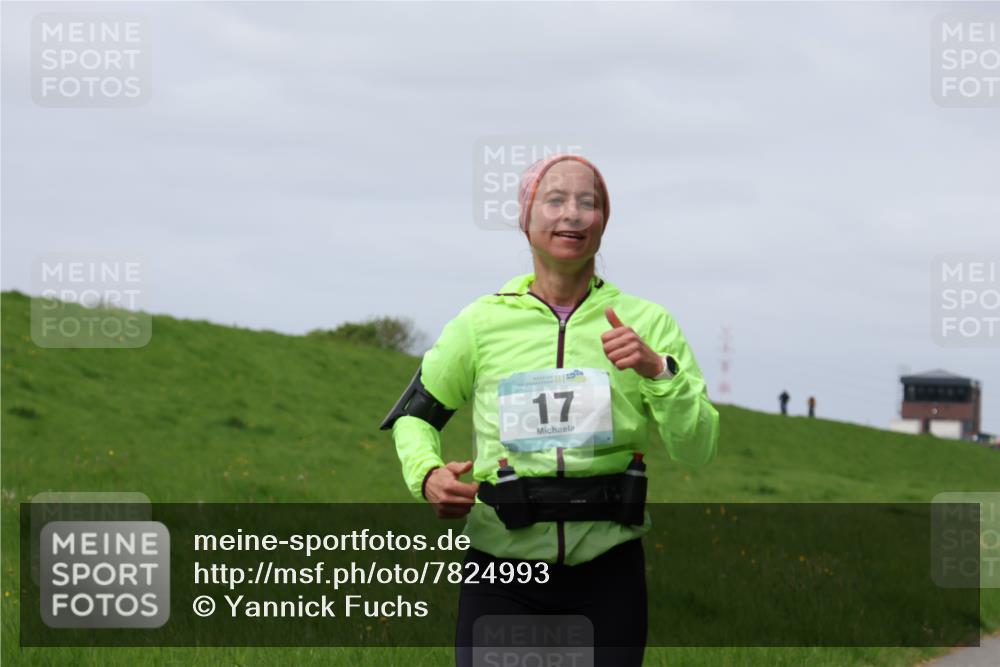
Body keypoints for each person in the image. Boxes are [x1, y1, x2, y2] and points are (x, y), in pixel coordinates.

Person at [382, 153, 719, 667]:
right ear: (526, 218)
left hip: (607, 575)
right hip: (502, 572)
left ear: (604, 221)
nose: (573, 215)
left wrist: (658, 372)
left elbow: (698, 449)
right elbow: (414, 416)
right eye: (555, 200)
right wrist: (426, 474)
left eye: (589, 203)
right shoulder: (481, 323)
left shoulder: (649, 322)